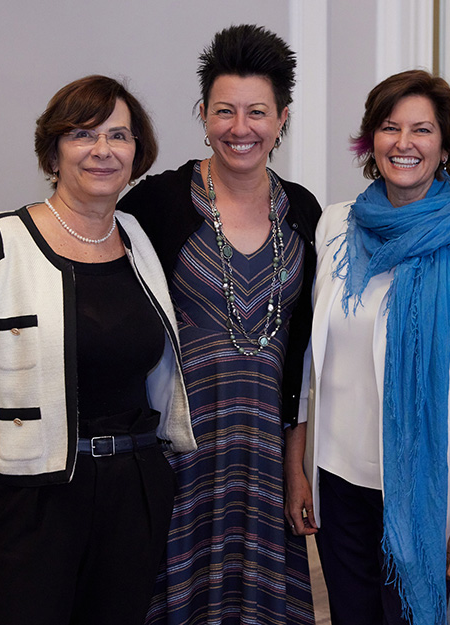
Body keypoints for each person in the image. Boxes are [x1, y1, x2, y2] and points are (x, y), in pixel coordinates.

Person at [0, 75, 196, 625]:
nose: (102, 151)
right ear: (53, 151)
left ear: (136, 153)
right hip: (32, 499)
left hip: (133, 489)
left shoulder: (137, 239)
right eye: (82, 134)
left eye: (118, 136)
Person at [285, 69, 450, 625]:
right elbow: (312, 364)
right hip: (338, 483)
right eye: (390, 128)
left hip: (423, 490)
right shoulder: (337, 225)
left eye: (422, 130)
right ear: (371, 140)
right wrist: (299, 466)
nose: (404, 144)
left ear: (444, 144)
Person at [117, 24, 320, 625]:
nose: (240, 128)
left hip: (261, 460)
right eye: (225, 111)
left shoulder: (303, 212)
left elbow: (301, 357)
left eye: (257, 112)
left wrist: (295, 467)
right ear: (203, 114)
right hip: (178, 458)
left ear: (282, 118)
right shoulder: (152, 206)